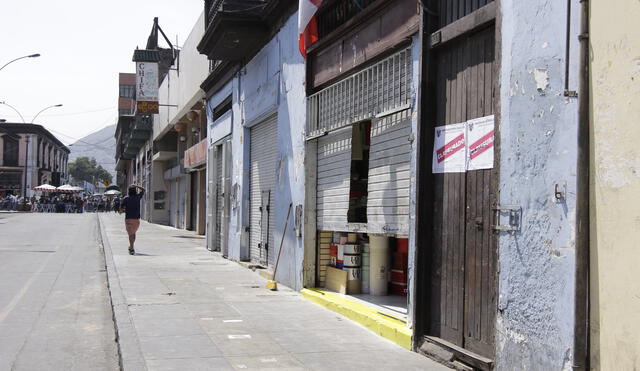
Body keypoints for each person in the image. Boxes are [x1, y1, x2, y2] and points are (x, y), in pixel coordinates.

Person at [120, 184, 145, 255]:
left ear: (129, 191)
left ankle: (131, 247)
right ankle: (131, 247)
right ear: (135, 191)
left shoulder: (126, 198)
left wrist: (123, 210)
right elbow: (143, 190)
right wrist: (136, 185)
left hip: (128, 218)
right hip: (136, 219)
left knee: (130, 234)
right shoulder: (137, 197)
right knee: (133, 233)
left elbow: (121, 209)